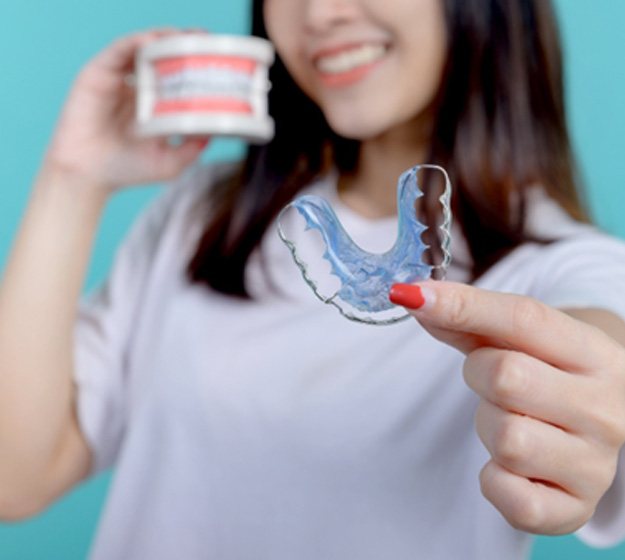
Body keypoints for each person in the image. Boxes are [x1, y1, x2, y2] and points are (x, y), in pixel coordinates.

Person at [1, 0, 624, 558]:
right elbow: (13, 478)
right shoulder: (202, 217)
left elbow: (597, 343)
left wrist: (582, 401)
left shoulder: (565, 267)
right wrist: (73, 176)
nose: (320, 13)